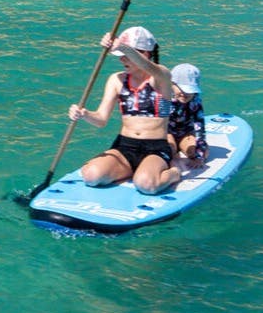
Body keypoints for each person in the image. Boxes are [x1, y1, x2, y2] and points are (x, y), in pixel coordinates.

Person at [67, 26, 179, 195]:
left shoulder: (161, 77)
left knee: (146, 185)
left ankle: (173, 173)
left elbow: (148, 67)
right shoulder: (116, 80)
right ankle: (131, 170)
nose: (122, 60)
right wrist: (84, 114)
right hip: (124, 146)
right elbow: (101, 120)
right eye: (120, 56)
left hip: (155, 148)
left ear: (145, 53)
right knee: (91, 176)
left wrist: (121, 46)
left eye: (126, 56)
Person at [168, 63, 208, 170]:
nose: (185, 94)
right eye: (181, 89)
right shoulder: (164, 99)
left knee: (199, 152)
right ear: (172, 84)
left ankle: (181, 148)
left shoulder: (195, 101)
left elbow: (200, 129)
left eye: (189, 90)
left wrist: (199, 156)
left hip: (186, 133)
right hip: (167, 134)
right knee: (169, 150)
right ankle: (173, 151)